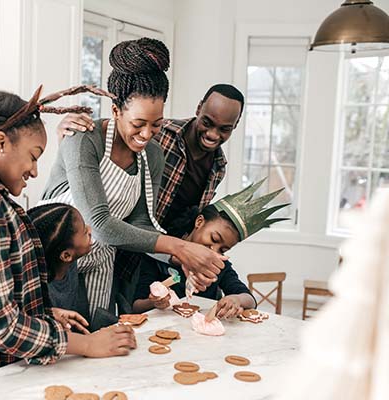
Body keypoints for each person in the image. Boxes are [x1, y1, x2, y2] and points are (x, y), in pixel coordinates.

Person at [0, 87, 136, 388]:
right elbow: (1, 329)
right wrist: (87, 345)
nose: (35, 171)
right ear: (1, 142)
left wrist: (42, 313)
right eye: (33, 156)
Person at [41, 38, 226, 319]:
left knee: (101, 331)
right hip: (54, 262)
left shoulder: (152, 154)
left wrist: (180, 260)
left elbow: (139, 222)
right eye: (138, 124)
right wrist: (181, 246)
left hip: (103, 260)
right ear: (115, 110)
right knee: (63, 342)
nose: (147, 134)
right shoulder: (83, 139)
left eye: (157, 124)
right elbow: (100, 224)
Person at [57, 83, 245, 293]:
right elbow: (122, 123)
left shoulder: (219, 167)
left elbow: (151, 220)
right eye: (207, 122)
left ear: (235, 125)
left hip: (158, 257)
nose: (212, 134)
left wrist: (183, 257)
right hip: (116, 242)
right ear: (199, 108)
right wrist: (70, 131)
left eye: (224, 129)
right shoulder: (159, 134)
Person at [133, 179, 289, 318]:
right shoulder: (158, 258)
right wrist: (155, 302)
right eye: (214, 239)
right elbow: (136, 305)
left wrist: (236, 299)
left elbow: (249, 299)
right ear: (199, 222)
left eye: (223, 250)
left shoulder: (218, 266)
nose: (213, 251)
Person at [28, 203, 93, 331]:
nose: (90, 229)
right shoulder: (42, 293)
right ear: (66, 255)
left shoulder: (69, 264)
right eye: (85, 232)